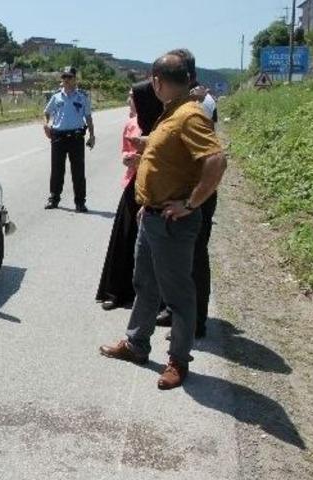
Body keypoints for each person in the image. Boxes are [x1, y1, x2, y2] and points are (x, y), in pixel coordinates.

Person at [99, 54, 227, 390]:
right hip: (153, 215)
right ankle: (137, 343)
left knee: (179, 296)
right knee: (145, 284)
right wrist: (146, 150)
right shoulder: (172, 112)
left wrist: (190, 203)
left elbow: (216, 160)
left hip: (173, 222)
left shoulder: (189, 116)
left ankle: (178, 361)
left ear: (158, 81)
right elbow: (171, 156)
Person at [155, 49, 219, 339]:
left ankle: (195, 322)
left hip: (195, 194)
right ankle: (175, 312)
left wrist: (193, 202)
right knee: (178, 260)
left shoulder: (199, 104)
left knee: (194, 258)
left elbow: (213, 159)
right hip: (183, 191)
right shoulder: (181, 102)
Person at [94, 81, 163, 310]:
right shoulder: (132, 124)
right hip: (133, 183)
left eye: (132, 96)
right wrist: (129, 157)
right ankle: (116, 291)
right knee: (123, 238)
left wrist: (143, 159)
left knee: (152, 245)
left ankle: (154, 299)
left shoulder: (163, 126)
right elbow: (125, 148)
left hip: (157, 188)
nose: (128, 100)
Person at [43, 66, 96, 212]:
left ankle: (80, 202)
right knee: (57, 169)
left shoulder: (82, 97)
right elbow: (46, 112)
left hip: (76, 137)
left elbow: (88, 117)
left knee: (78, 171)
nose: (66, 80)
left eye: (69, 77)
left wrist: (92, 135)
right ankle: (54, 198)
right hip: (58, 137)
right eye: (64, 77)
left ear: (75, 79)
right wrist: (46, 124)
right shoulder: (56, 97)